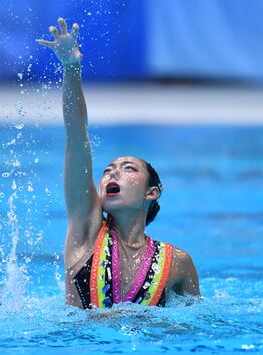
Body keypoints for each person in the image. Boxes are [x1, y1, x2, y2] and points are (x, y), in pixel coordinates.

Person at [37, 18, 200, 309]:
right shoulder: (86, 231)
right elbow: (77, 138)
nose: (113, 173)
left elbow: (197, 327)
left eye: (128, 169)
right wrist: (71, 69)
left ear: (151, 193)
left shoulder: (178, 263)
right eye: (108, 170)